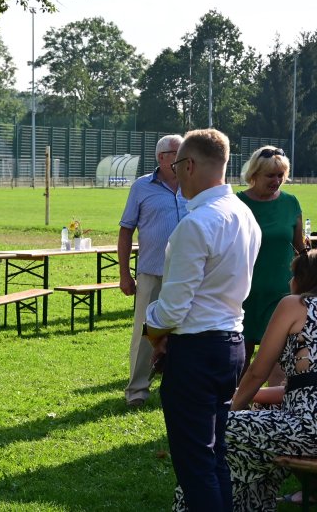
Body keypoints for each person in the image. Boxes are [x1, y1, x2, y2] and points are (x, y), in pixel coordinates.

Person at [145, 128, 261, 511]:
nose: (175, 175)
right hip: (231, 345)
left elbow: (172, 307)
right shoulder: (245, 215)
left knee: (195, 465)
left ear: (190, 165)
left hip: (196, 350)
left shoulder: (196, 224)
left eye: (177, 167)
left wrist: (152, 330)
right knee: (214, 456)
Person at [171, 250, 317, 511]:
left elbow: (257, 372)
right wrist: (242, 395)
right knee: (251, 435)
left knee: (211, 432)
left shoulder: (295, 305)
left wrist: (231, 410)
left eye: (293, 275)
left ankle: (196, 506)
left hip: (309, 429)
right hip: (307, 425)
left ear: (304, 279)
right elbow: (302, 389)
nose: (288, 281)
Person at [118, 134, 188, 408]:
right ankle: (137, 390)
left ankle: (179, 384)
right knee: (146, 332)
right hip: (152, 272)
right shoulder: (142, 187)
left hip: (188, 274)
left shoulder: (193, 185)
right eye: (179, 153)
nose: (185, 158)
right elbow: (126, 230)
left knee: (186, 331)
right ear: (162, 157)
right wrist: (125, 274)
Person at [237, 146, 304, 386]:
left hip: (280, 294)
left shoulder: (290, 203)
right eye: (270, 175)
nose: (276, 181)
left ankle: (272, 404)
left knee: (278, 360)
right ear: (254, 174)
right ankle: (236, 404)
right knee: (241, 359)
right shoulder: (238, 204)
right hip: (244, 293)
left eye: (280, 175)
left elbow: (300, 248)